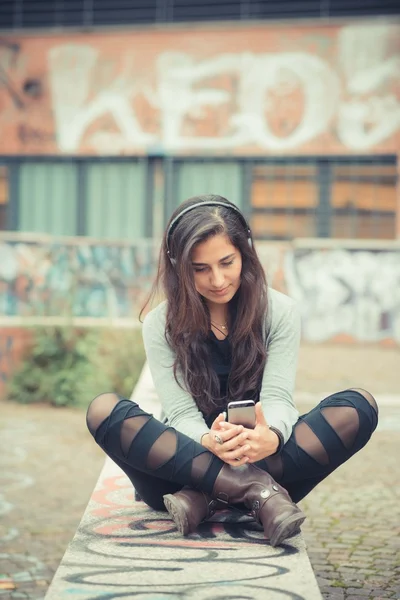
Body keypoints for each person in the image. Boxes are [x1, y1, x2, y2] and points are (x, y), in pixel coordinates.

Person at [86, 194, 378, 547]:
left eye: (227, 262)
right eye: (200, 268)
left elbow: (278, 397)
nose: (218, 279)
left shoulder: (279, 312)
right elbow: (179, 412)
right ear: (180, 267)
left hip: (261, 455)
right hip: (183, 467)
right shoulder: (160, 323)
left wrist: (271, 437)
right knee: (103, 411)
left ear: (245, 253)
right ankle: (254, 489)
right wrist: (209, 442)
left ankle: (205, 497)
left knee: (358, 406)